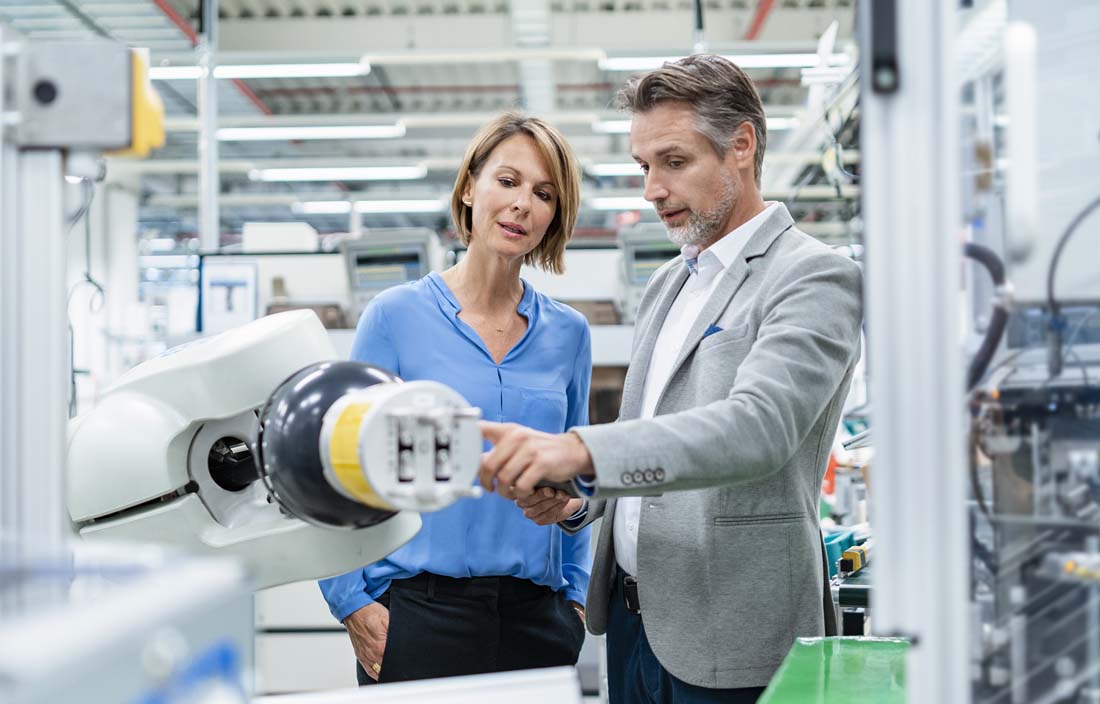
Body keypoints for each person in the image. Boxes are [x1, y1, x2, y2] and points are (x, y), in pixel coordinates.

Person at [479, 55, 864, 703]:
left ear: (741, 145)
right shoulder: (668, 283)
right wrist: (583, 494)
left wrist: (582, 449)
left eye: (674, 162)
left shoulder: (813, 275)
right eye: (643, 167)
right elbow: (651, 435)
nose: (652, 189)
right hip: (634, 625)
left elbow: (756, 430)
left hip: (735, 633)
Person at [319, 112, 592, 685]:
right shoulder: (395, 317)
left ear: (555, 216)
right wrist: (351, 602)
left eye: (544, 193)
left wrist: (578, 599)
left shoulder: (569, 335)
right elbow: (337, 471)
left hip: (536, 622)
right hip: (417, 615)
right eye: (508, 181)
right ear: (470, 187)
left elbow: (580, 477)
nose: (522, 204)